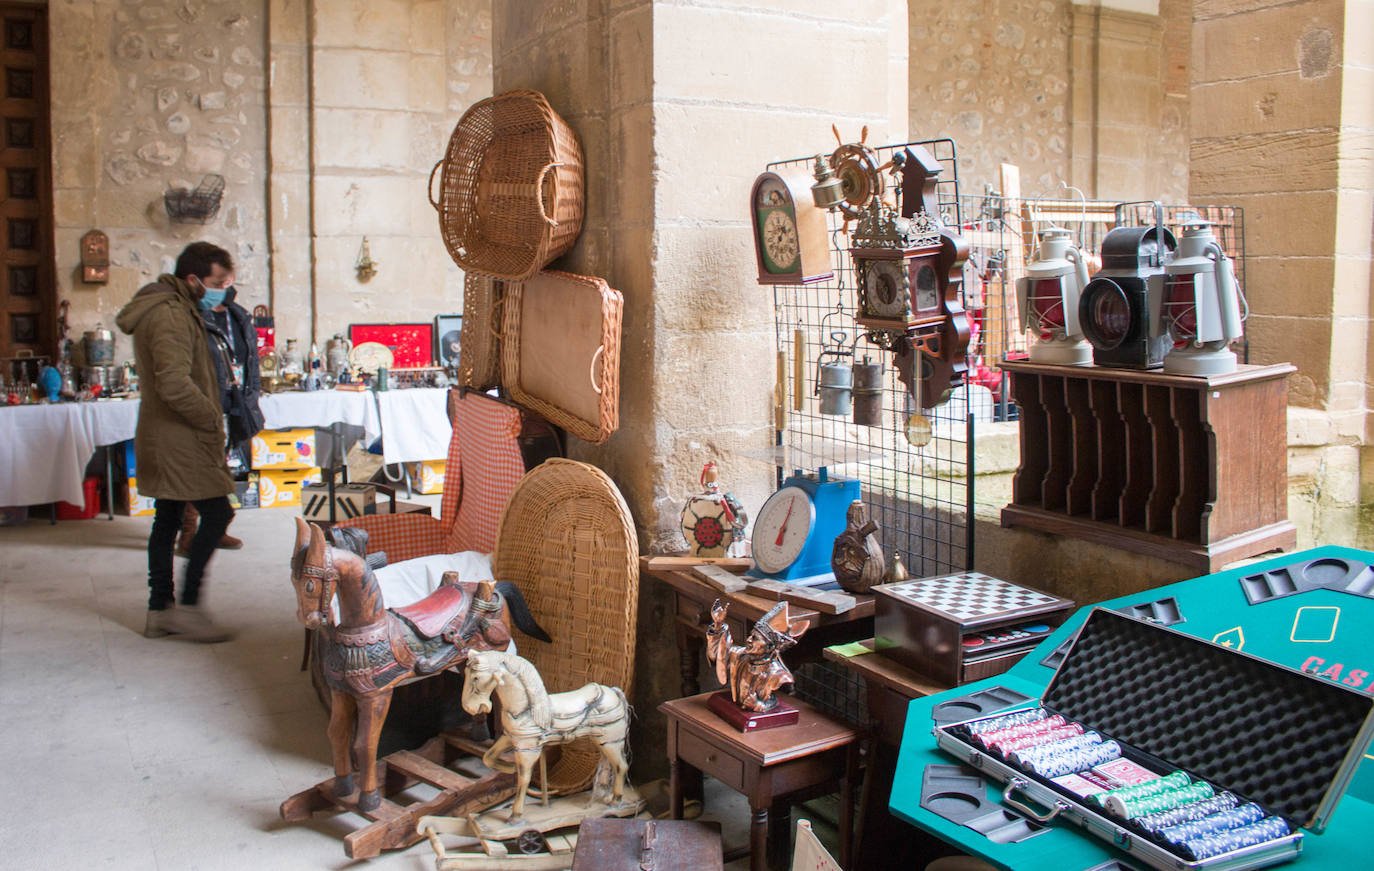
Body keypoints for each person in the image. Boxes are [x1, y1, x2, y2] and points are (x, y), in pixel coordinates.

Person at [116, 241, 238, 642]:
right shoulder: (169, 314)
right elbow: (173, 383)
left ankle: (160, 611)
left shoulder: (177, 306)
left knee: (167, 517)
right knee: (217, 513)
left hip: (170, 431)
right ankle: (186, 606)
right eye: (218, 283)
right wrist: (209, 419)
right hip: (179, 434)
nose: (223, 290)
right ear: (192, 280)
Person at [175, 282, 263, 556]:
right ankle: (187, 536)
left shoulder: (239, 316)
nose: (223, 287)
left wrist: (251, 397)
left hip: (234, 403)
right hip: (205, 404)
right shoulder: (194, 318)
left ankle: (216, 530)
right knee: (197, 472)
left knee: (223, 469)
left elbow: (251, 360)